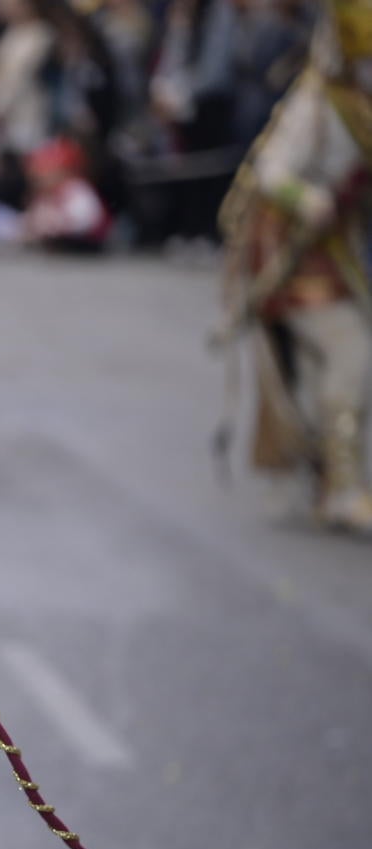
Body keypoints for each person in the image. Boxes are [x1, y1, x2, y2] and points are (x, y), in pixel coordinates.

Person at [218, 0, 372, 536]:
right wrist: (308, 200)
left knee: (327, 367)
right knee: (350, 354)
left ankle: (327, 475)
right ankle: (344, 489)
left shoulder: (360, 101)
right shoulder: (318, 101)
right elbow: (271, 171)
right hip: (298, 253)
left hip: (344, 251)